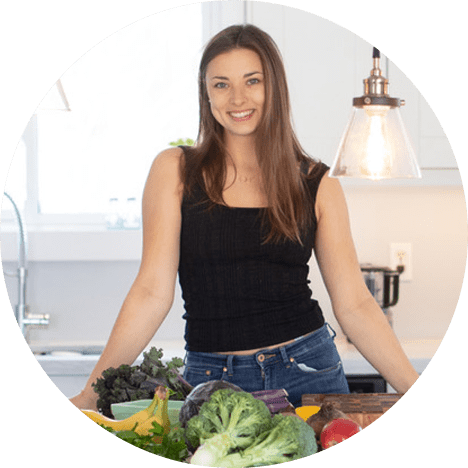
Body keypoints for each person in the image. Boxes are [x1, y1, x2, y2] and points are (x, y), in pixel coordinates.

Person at [70, 24, 419, 410]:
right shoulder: (175, 170)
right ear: (206, 93)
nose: (237, 97)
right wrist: (91, 393)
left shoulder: (317, 184)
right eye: (221, 84)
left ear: (274, 87)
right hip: (210, 383)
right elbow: (151, 293)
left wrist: (415, 386)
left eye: (252, 81)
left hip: (308, 370)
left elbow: (354, 305)